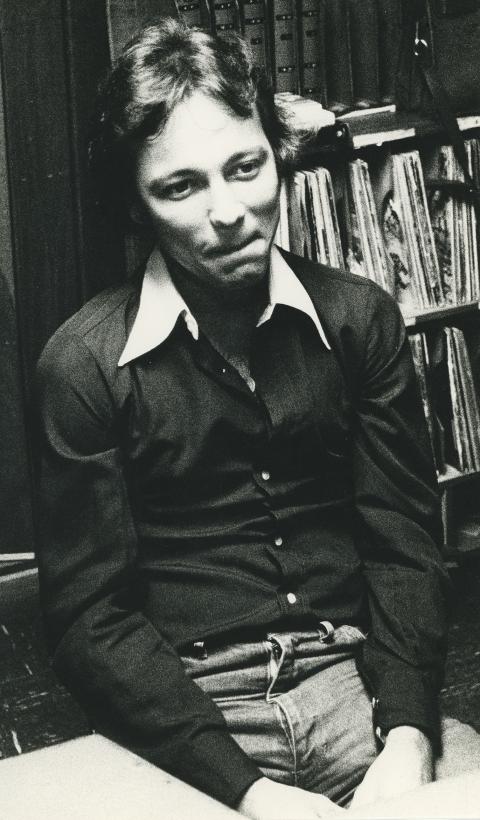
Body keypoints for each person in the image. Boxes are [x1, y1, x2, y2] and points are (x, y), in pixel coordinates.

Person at [36, 18, 480, 819]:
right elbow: (89, 619)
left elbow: (405, 544)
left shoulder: (358, 321)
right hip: (184, 710)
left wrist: (410, 733)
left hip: (353, 685)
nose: (229, 210)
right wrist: (247, 792)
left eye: (246, 167)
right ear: (134, 206)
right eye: (180, 186)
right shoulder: (84, 365)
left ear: (279, 154)